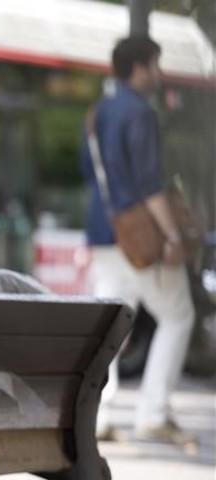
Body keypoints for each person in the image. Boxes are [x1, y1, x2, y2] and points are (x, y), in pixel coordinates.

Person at [81, 35, 195, 445]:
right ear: (141, 66)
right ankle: (154, 412)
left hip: (103, 231)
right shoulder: (139, 113)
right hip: (141, 237)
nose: (158, 74)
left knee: (110, 324)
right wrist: (170, 235)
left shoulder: (96, 114)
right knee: (178, 315)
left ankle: (95, 416)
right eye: (155, 65)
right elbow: (148, 185)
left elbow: (89, 174)